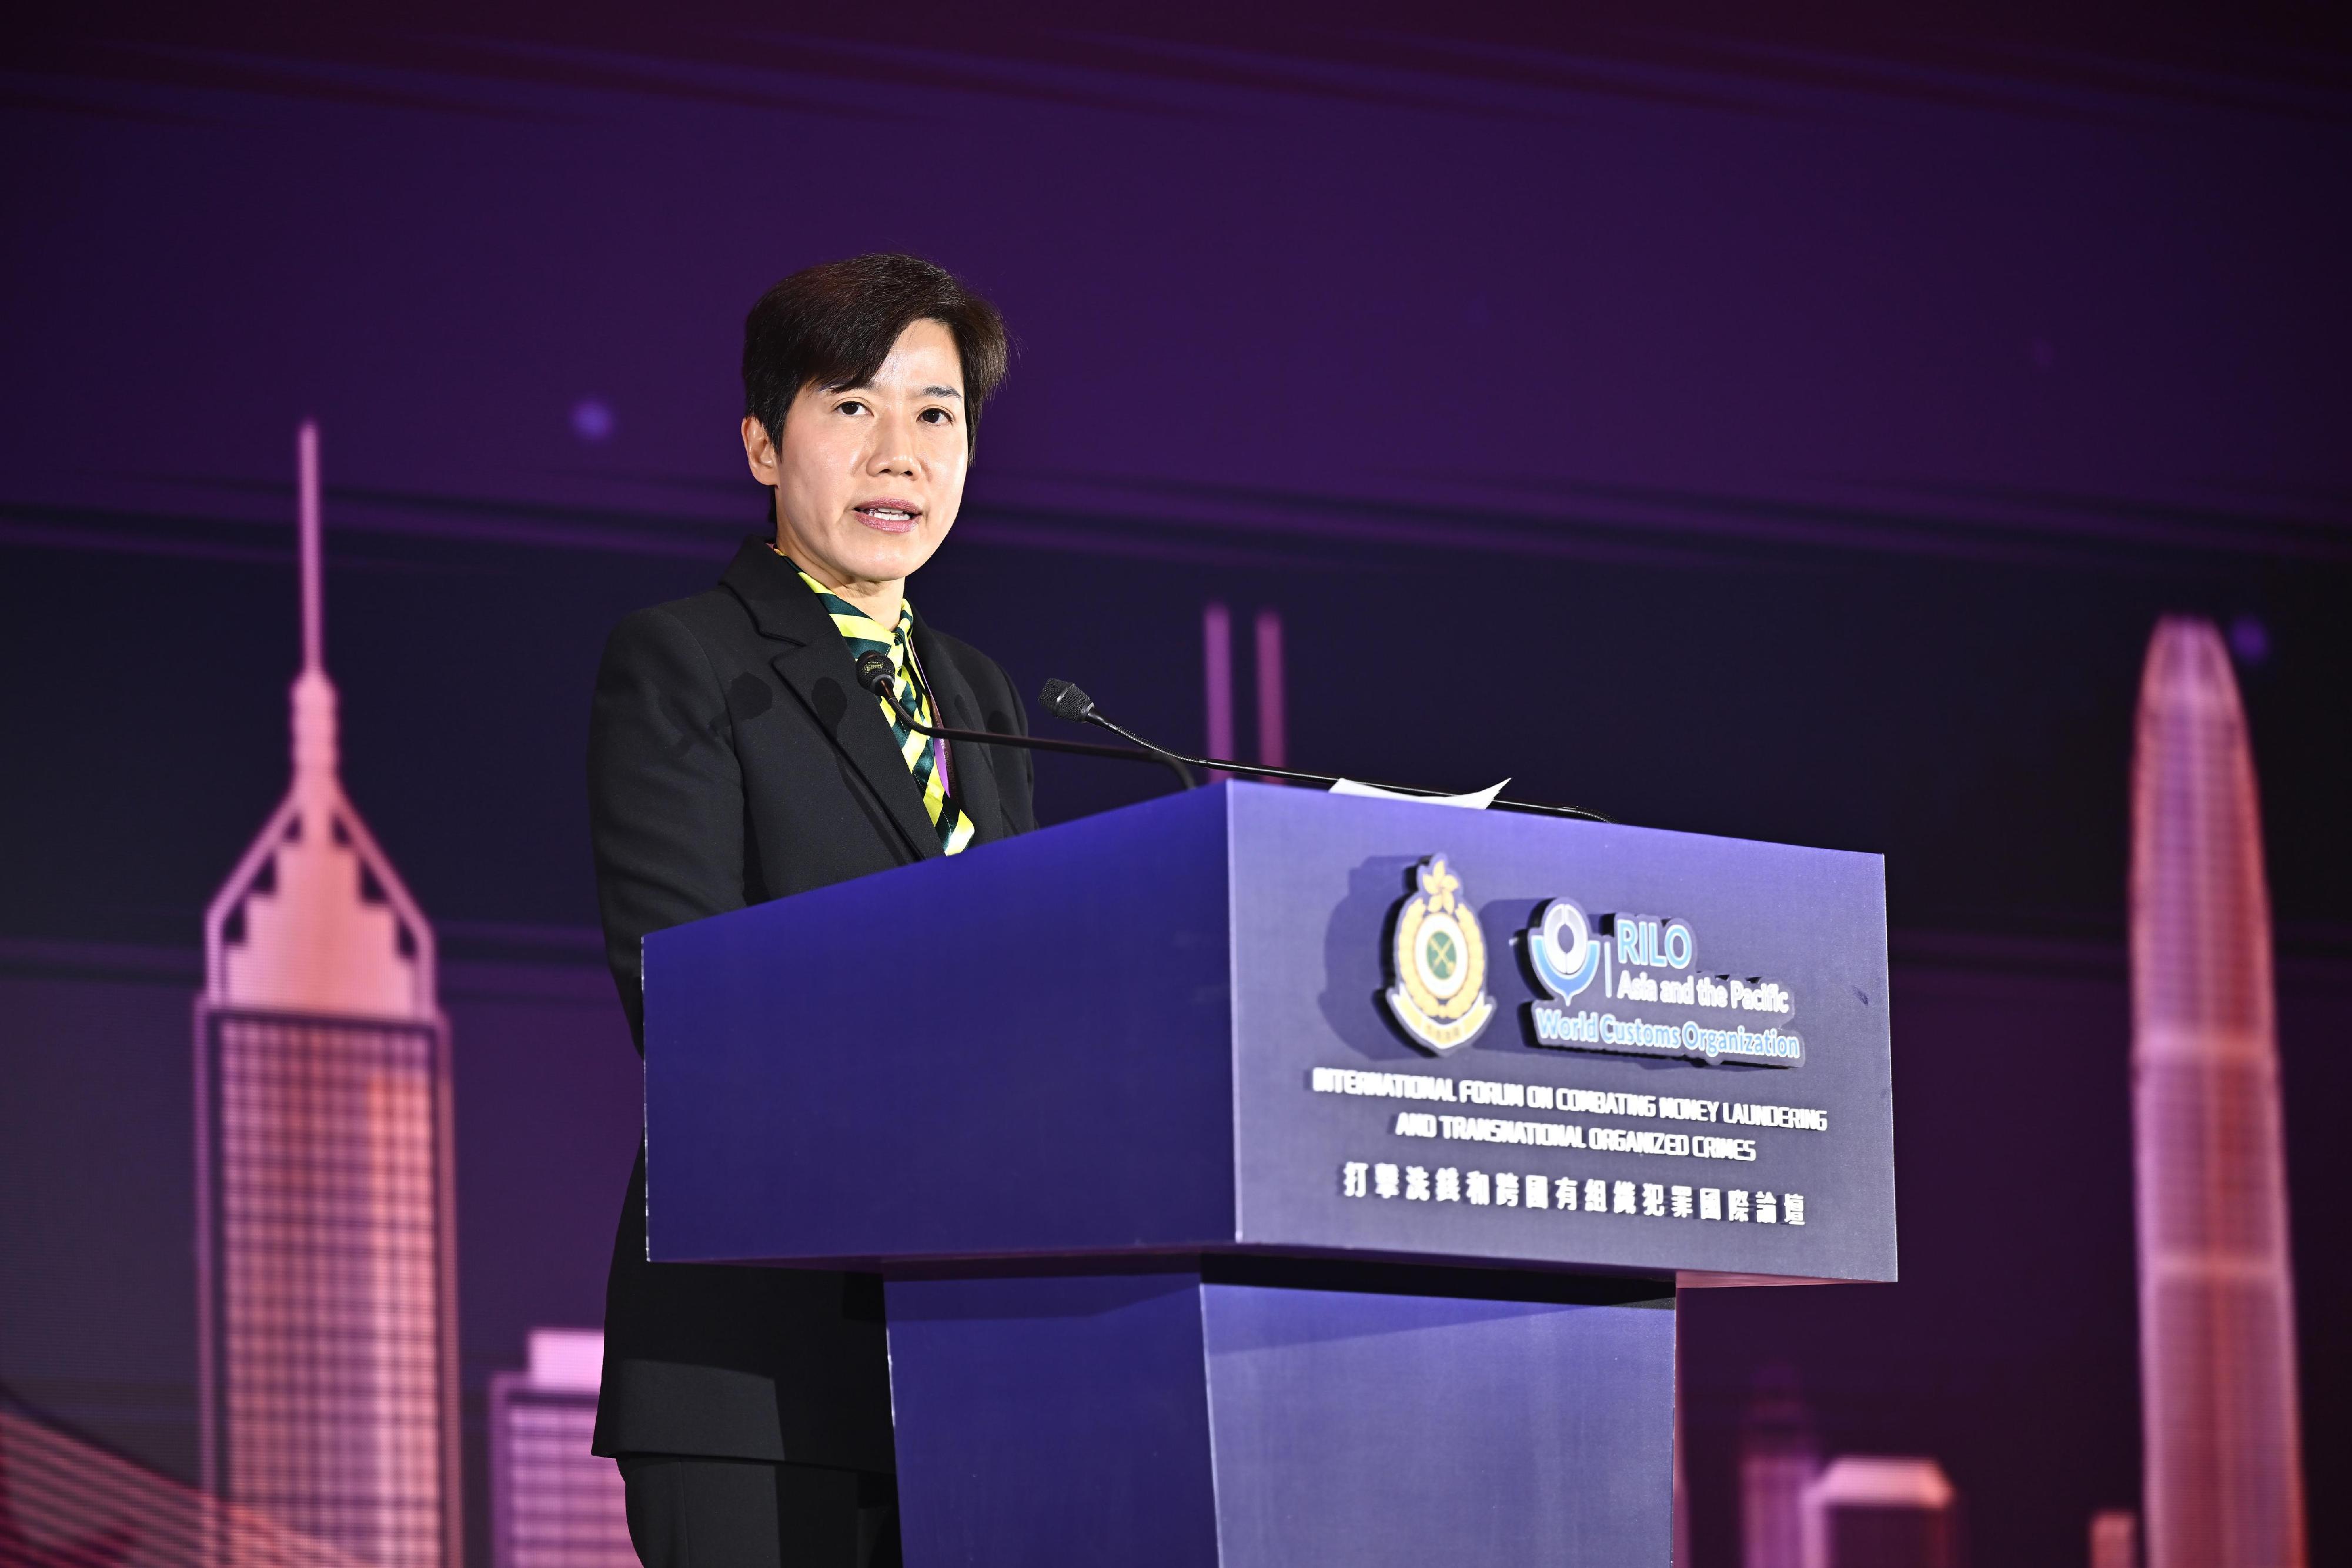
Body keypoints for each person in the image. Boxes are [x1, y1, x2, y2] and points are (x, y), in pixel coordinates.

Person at [584, 254, 1032, 1566]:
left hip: (978, 1354)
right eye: (852, 406)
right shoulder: (689, 660)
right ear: (761, 447)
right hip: (758, 1354)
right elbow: (686, 995)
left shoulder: (982, 694)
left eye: (936, 413)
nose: (901, 452)